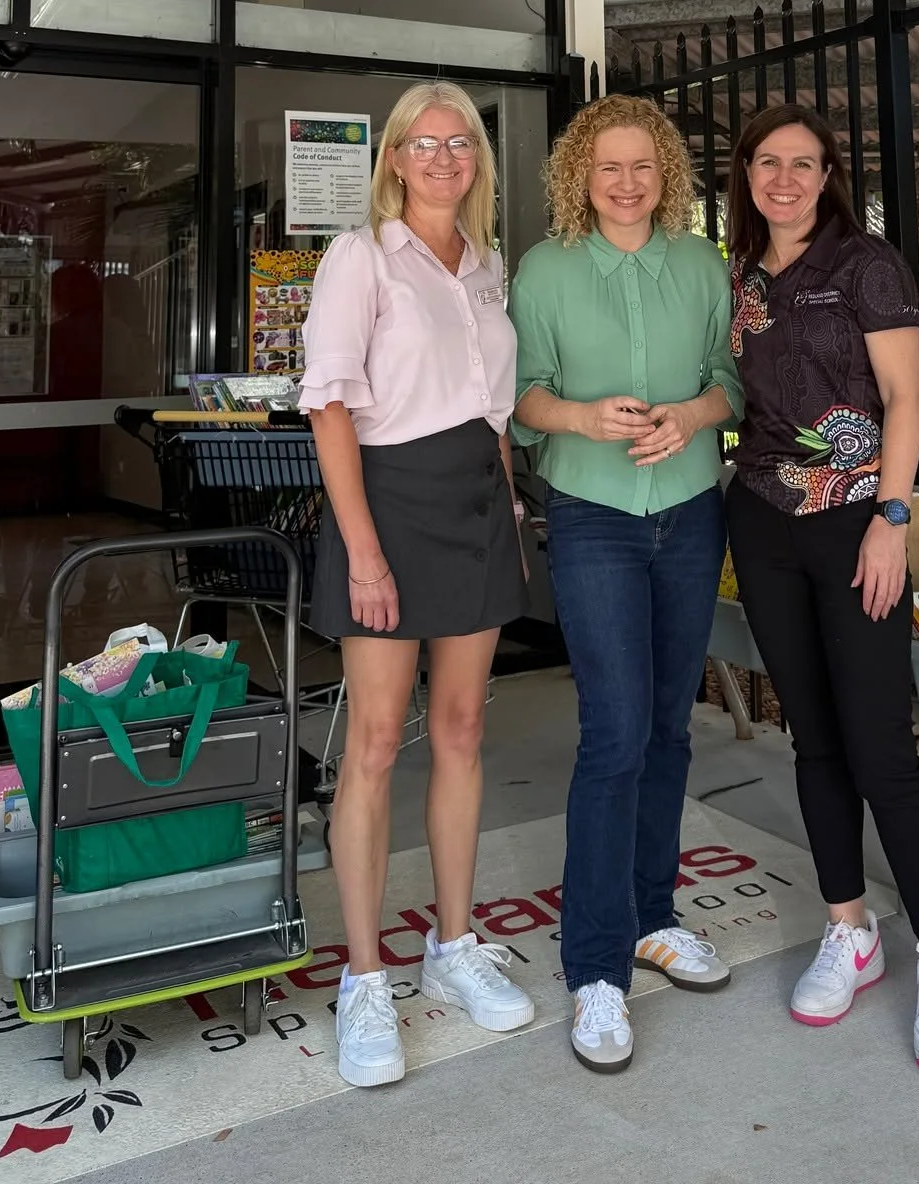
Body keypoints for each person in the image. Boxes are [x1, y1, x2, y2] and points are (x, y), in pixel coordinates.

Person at [724, 101, 919, 1073]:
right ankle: (849, 927)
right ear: (745, 172)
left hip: (860, 522)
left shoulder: (866, 264)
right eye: (766, 161)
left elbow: (906, 397)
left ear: (829, 172)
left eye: (804, 162)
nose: (783, 178)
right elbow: (736, 393)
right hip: (764, 520)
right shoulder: (739, 274)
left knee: (881, 745)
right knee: (813, 735)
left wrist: (894, 516)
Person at [301, 81, 533, 1089]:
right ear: (393, 157)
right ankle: (363, 976)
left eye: (461, 142)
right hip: (387, 504)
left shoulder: (487, 265)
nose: (443, 156)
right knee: (371, 741)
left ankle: (452, 942)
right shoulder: (360, 257)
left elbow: (492, 413)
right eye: (423, 142)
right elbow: (330, 407)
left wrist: (511, 508)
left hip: (478, 503)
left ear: (476, 159)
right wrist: (362, 548)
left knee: (464, 728)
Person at [510, 94, 742, 1073]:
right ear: (578, 172)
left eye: (644, 164)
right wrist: (579, 413)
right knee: (614, 734)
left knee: (670, 723)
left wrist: (691, 413)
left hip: (690, 510)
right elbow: (520, 396)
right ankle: (595, 968)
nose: (627, 180)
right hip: (594, 515)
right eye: (608, 165)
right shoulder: (546, 268)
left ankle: (654, 916)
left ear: (667, 172)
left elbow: (733, 380)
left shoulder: (701, 263)